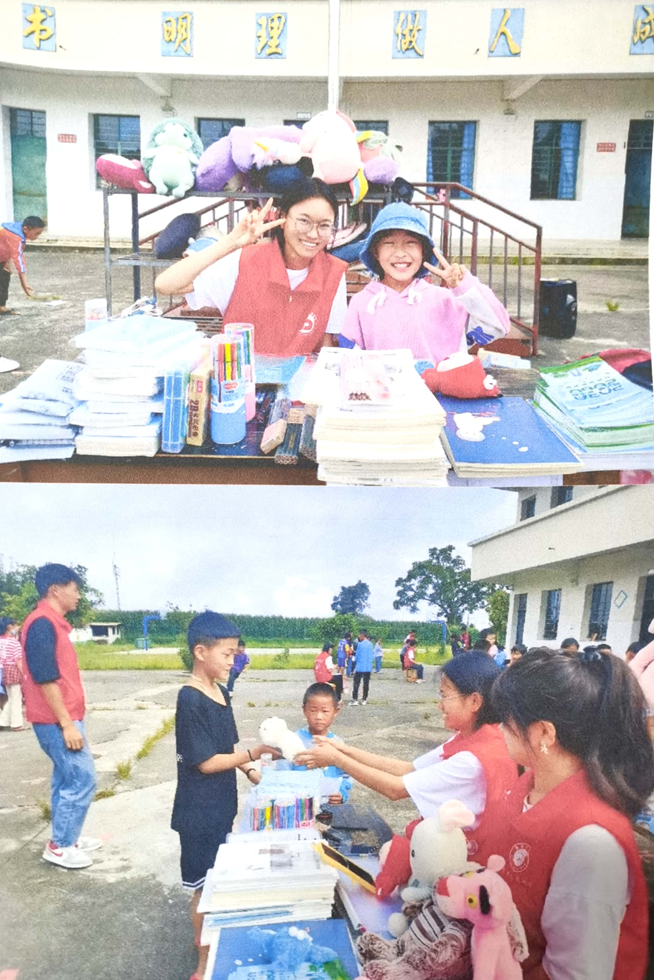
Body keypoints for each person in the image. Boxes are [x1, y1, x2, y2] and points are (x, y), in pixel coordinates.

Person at [480, 648, 652, 980]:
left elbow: (573, 974)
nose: (498, 728)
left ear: (544, 733)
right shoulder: (529, 783)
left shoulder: (591, 843)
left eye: (506, 719)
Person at [296, 653, 518, 858]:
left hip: (466, 863)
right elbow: (409, 769)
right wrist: (342, 748)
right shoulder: (473, 736)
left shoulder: (473, 760)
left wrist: (337, 758)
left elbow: (396, 788)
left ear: (474, 701)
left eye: (444, 695)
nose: (439, 705)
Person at [171, 611, 277, 980]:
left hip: (220, 806)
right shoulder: (190, 699)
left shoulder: (221, 692)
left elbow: (226, 745)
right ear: (201, 652)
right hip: (198, 810)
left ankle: (206, 940)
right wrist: (255, 753)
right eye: (227, 654)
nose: (234, 662)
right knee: (204, 889)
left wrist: (248, 769)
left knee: (216, 880)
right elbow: (204, 762)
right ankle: (202, 964)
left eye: (235, 654)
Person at [155, 179, 348, 356]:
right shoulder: (243, 262)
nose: (313, 234)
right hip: (236, 385)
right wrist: (231, 242)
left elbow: (325, 345)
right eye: (304, 221)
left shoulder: (334, 274)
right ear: (281, 218)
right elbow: (165, 285)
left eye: (324, 225)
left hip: (294, 389)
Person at [338, 202, 512, 360]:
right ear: (375, 252)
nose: (400, 252)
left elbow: (496, 326)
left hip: (439, 394)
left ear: (424, 252)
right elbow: (350, 359)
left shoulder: (445, 300)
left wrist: (465, 287)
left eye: (410, 243)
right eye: (389, 243)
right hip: (381, 393)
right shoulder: (361, 303)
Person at [20, 564, 100, 870]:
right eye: (75, 588)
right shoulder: (42, 623)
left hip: (63, 717)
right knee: (82, 778)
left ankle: (67, 837)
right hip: (56, 721)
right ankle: (60, 846)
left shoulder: (53, 622)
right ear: (56, 589)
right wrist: (66, 723)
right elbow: (45, 677)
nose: (78, 595)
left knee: (65, 778)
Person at [292, 682, 352, 805]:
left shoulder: (338, 744)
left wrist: (342, 793)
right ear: (304, 710)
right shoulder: (294, 740)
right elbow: (283, 774)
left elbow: (347, 775)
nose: (319, 716)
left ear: (336, 711)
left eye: (325, 711)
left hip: (328, 807)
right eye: (313, 710)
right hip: (299, 806)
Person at [0, 215, 45, 372]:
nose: (37, 237)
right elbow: (18, 258)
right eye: (37, 234)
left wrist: (5, 261)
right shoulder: (15, 235)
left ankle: (1, 306)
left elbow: (4, 246)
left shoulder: (16, 230)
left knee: (4, 275)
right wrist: (24, 284)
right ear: (26, 229)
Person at [0, 617, 26, 730]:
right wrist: (24, 674)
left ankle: (3, 721)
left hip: (4, 671)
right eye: (15, 625)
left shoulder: (1, 641)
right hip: (14, 670)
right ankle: (16, 724)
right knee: (16, 697)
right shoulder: (14, 643)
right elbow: (18, 660)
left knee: (10, 697)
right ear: (9, 627)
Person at [350, 630, 374, 706]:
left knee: (356, 683)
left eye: (359, 635)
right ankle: (364, 699)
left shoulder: (360, 644)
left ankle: (355, 699)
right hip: (368, 667)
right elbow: (372, 656)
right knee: (366, 683)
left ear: (362, 635)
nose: (359, 637)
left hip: (360, 667)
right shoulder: (371, 645)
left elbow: (357, 657)